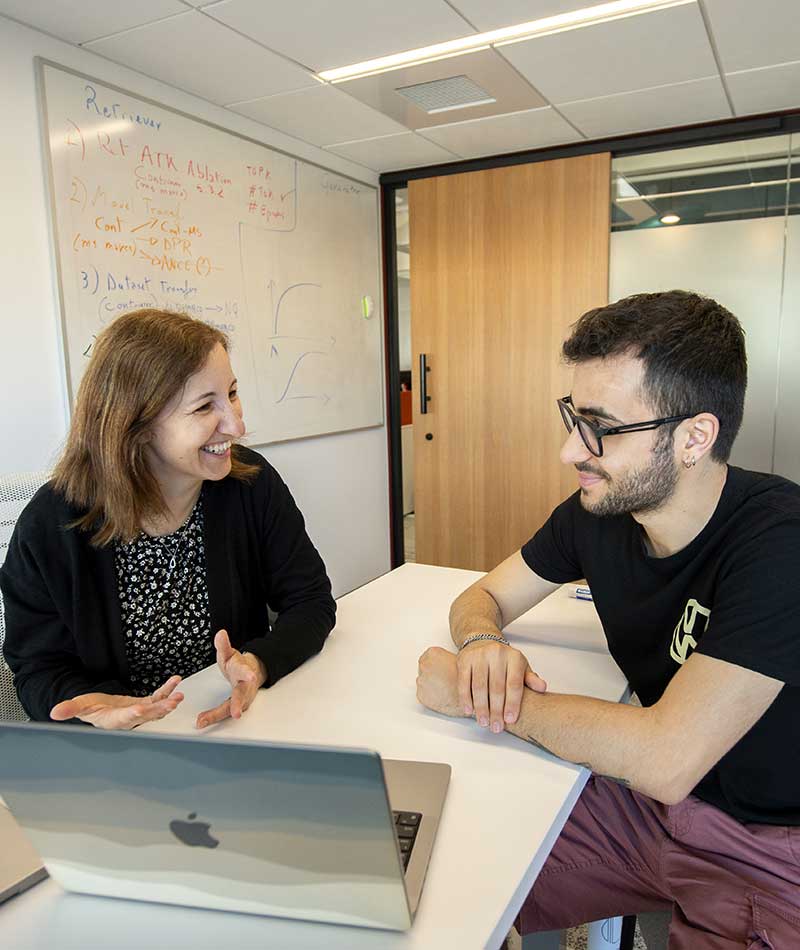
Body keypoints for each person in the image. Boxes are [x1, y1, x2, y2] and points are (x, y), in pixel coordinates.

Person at [415, 291, 800, 947]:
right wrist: (482, 645)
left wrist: (478, 699)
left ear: (694, 438)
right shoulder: (598, 515)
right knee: (446, 876)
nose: (571, 451)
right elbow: (482, 598)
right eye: (572, 417)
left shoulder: (780, 540)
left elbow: (665, 756)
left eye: (600, 426)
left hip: (769, 844)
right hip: (649, 811)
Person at [1, 309, 336, 731]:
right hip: (120, 749)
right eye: (204, 407)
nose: (236, 424)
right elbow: (38, 668)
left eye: (231, 393)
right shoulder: (51, 525)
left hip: (232, 724)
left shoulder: (250, 484)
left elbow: (311, 600)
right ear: (136, 426)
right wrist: (94, 709)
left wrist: (258, 664)